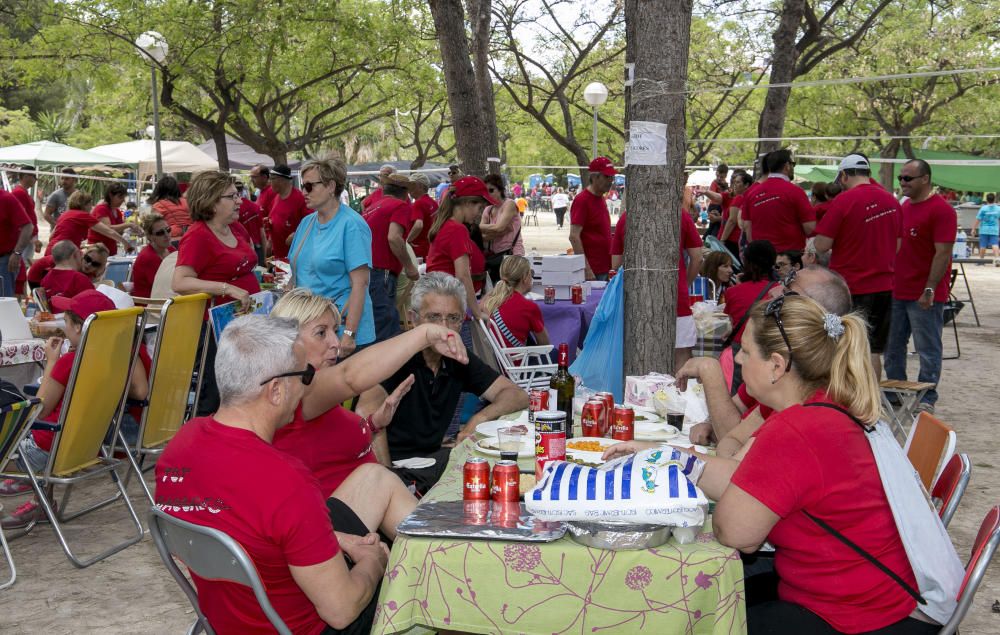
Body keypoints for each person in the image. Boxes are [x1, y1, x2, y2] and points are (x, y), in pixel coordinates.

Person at [641, 295, 935, 634]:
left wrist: (688, 466)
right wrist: (665, 455)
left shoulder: (798, 428)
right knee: (707, 599)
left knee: (693, 616)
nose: (737, 358)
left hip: (858, 616)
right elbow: (744, 481)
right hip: (865, 598)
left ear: (777, 366)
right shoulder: (824, 405)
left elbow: (736, 532)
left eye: (747, 352)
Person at [155, 315, 389, 634]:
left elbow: (243, 528)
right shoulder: (286, 480)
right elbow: (342, 611)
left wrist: (339, 540)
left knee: (372, 481)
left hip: (230, 620)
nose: (310, 383)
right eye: (305, 374)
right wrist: (373, 562)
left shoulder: (178, 448)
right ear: (276, 390)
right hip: (303, 627)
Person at [269, 289, 467, 536]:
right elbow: (349, 377)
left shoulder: (311, 390)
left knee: (462, 461)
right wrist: (423, 334)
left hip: (368, 510)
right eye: (321, 333)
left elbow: (324, 448)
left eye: (335, 331)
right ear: (290, 342)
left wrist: (374, 423)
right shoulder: (297, 391)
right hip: (340, 529)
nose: (335, 343)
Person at [359, 273, 528, 487]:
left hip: (432, 461)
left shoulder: (456, 355)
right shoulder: (396, 355)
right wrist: (388, 479)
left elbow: (517, 395)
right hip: (395, 468)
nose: (443, 327)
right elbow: (366, 411)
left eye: (453, 318)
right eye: (434, 317)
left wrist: (478, 419)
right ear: (413, 319)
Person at [2, 290, 150, 527]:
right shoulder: (121, 357)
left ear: (79, 328)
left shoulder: (69, 363)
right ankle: (41, 502)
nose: (64, 326)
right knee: (59, 424)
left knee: (31, 425)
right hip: (88, 447)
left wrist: (51, 363)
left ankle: (38, 497)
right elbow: (140, 391)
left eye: (67, 322)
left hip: (44, 454)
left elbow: (37, 411)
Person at [680, 265, 853, 450]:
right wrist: (712, 422)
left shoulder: (801, 392)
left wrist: (710, 372)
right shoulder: (779, 373)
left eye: (788, 290)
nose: (774, 290)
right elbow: (734, 431)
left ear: (809, 314)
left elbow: (737, 457)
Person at [172, 170, 261, 417]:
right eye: (232, 196)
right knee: (213, 397)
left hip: (245, 323)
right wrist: (226, 288)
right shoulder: (198, 236)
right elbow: (180, 282)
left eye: (239, 194)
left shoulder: (237, 229)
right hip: (215, 329)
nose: (240, 200)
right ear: (211, 201)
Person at [814, 153, 902, 378]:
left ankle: (850, 404)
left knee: (844, 347)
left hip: (851, 287)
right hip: (884, 286)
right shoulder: (891, 200)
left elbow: (822, 245)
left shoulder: (843, 201)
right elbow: (898, 244)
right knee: (873, 350)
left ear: (843, 175)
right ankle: (873, 402)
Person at [884, 159, 957, 413]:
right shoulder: (903, 207)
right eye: (901, 178)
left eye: (908, 178)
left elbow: (943, 253)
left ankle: (927, 397)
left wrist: (930, 288)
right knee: (893, 347)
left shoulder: (941, 210)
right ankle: (894, 394)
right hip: (897, 289)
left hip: (924, 293)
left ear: (925, 179)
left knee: (927, 348)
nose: (902, 182)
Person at [290, 157, 375, 357]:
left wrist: (349, 333)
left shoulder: (352, 225)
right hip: (311, 330)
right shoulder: (307, 223)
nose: (303, 192)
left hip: (341, 331)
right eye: (303, 186)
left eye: (309, 186)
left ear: (330, 186)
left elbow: (360, 284)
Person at [362, 173, 420, 342]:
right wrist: (410, 267)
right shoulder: (400, 206)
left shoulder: (372, 207)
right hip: (382, 272)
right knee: (385, 327)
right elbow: (394, 237)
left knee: (373, 324)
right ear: (405, 193)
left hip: (365, 272)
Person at [426, 176, 493, 320]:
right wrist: (477, 313)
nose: (478, 214)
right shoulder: (457, 229)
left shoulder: (444, 225)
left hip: (438, 302)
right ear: (468, 203)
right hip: (449, 306)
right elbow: (462, 275)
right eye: (479, 207)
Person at [742, 149, 816, 252]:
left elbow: (747, 226)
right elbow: (810, 228)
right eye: (793, 164)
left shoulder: (751, 193)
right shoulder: (796, 192)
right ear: (787, 166)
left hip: (760, 255)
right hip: (789, 256)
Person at [479, 255, 549, 347]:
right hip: (517, 359)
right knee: (557, 354)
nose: (532, 277)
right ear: (524, 277)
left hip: (494, 359)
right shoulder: (529, 307)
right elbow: (545, 344)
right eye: (530, 273)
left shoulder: (489, 299)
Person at [722, 240, 777, 346]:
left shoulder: (732, 291)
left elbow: (733, 322)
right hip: (767, 347)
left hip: (740, 346)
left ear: (746, 261)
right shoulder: (780, 291)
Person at [569, 157, 616, 280]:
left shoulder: (600, 198)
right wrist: (586, 269)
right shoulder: (582, 200)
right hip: (593, 271)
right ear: (594, 177)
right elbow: (574, 236)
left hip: (605, 267)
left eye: (612, 177)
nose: (610, 181)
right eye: (606, 177)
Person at [45, 190, 131, 256]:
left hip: (51, 251)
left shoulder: (65, 214)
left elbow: (51, 237)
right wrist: (125, 243)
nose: (91, 207)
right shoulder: (83, 215)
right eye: (90, 203)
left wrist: (79, 245)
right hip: (63, 254)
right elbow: (109, 231)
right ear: (85, 204)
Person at [480, 174, 525, 286]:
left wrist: (486, 228)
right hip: (494, 258)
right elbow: (482, 235)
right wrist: (498, 231)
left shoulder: (509, 204)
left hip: (512, 254)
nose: (488, 194)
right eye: (486, 191)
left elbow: (498, 227)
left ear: (500, 189)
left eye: (491, 190)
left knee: (511, 292)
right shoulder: (488, 209)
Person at [130, 213, 175, 299]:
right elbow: (165, 285)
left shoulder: (171, 250)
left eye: (168, 229)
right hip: (150, 306)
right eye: (160, 233)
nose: (166, 235)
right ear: (150, 237)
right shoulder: (147, 258)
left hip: (164, 300)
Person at [268, 164, 307, 261]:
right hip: (279, 257)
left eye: (272, 179)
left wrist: (296, 234)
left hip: (297, 257)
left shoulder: (300, 199)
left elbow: (313, 222)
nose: (269, 182)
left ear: (281, 180)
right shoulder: (275, 198)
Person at [0, 187, 33, 298]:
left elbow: (28, 226)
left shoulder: (6, 199)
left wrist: (17, 253)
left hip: (4, 261)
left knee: (3, 303)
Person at [40, 241, 93, 310]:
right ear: (75, 255)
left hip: (52, 319)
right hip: (73, 319)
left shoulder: (45, 279)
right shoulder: (79, 279)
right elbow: (93, 305)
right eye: (81, 253)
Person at [88, 183, 131, 256]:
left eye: (123, 198)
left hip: (111, 252)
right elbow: (108, 229)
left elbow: (120, 230)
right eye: (120, 197)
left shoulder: (117, 212)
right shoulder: (101, 209)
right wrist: (128, 225)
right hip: (97, 252)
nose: (122, 201)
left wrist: (133, 230)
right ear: (111, 195)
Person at [405, 172, 438, 259]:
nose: (408, 188)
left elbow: (418, 225)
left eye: (411, 185)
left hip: (419, 249)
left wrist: (407, 241)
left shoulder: (418, 203)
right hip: (431, 247)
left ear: (420, 186)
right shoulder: (433, 203)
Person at [149, 176, 191, 242]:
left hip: (171, 240)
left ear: (159, 190)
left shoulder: (158, 205)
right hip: (190, 237)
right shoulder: (188, 202)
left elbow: (155, 227)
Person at [235, 181, 267, 266]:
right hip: (258, 249)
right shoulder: (255, 207)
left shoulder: (235, 211)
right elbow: (262, 234)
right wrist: (265, 257)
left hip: (244, 250)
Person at [11, 167, 41, 255]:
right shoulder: (19, 193)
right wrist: (32, 238)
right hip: (25, 236)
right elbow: (21, 218)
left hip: (28, 234)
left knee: (25, 263)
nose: (36, 179)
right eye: (34, 176)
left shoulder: (23, 192)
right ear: (26, 176)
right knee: (23, 263)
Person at [972, 193, 999, 259]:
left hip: (984, 230)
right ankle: (997, 259)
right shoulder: (998, 208)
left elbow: (978, 219)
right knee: (995, 244)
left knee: (983, 245)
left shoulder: (983, 208)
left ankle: (981, 261)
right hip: (994, 230)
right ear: (994, 199)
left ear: (987, 200)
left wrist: (973, 229)